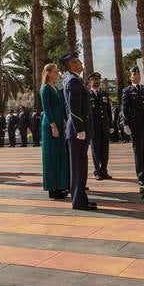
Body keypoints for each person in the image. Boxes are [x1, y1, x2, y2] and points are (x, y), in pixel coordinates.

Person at [60, 51, 96, 211]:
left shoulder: (74, 79)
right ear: (72, 64)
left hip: (76, 129)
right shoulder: (73, 81)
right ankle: (78, 201)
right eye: (78, 61)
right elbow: (73, 108)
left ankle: (81, 198)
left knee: (81, 165)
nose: (81, 63)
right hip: (77, 130)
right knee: (78, 166)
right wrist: (80, 129)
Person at [121, 65, 144, 187]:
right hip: (136, 126)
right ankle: (141, 176)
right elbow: (124, 109)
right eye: (134, 74)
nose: (137, 76)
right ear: (130, 77)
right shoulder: (127, 91)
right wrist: (126, 124)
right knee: (139, 151)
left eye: (138, 74)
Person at [40, 63, 69, 199]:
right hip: (51, 126)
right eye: (56, 72)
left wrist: (62, 121)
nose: (57, 74)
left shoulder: (55, 88)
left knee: (59, 156)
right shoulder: (45, 89)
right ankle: (52, 188)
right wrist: (53, 126)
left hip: (58, 124)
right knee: (51, 157)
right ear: (49, 73)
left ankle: (59, 186)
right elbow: (47, 109)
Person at [87, 72, 113, 180]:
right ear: (90, 82)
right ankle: (97, 171)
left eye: (98, 80)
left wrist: (110, 125)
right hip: (94, 128)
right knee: (95, 150)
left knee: (105, 150)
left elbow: (108, 111)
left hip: (104, 127)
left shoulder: (104, 94)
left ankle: (104, 170)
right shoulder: (87, 95)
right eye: (94, 80)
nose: (96, 82)